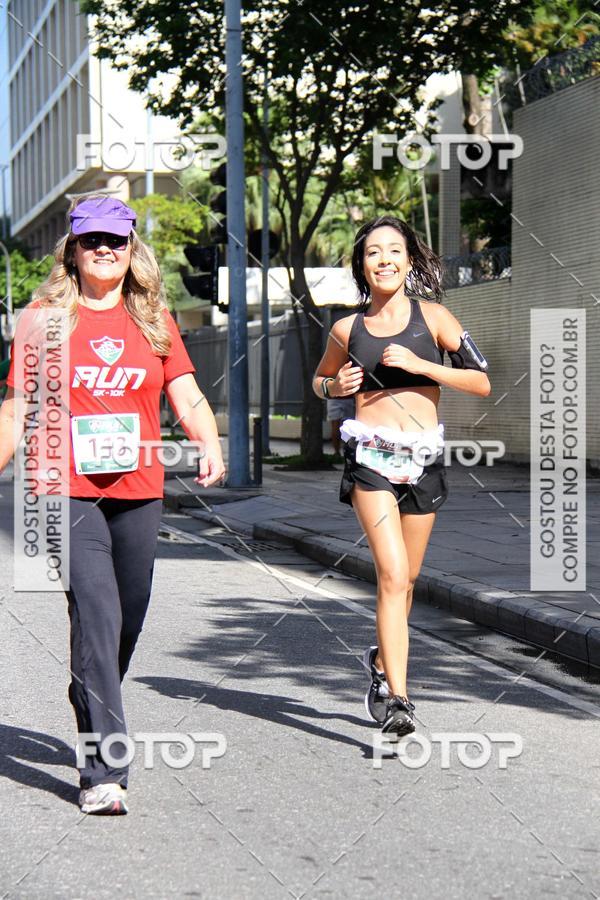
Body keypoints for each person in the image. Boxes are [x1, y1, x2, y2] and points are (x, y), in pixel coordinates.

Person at [0, 195, 225, 814]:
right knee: (97, 613)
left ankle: (90, 691)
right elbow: (16, 409)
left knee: (127, 617)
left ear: (131, 249)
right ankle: (104, 771)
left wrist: (208, 440)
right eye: (92, 240)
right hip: (65, 489)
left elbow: (185, 390)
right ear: (72, 250)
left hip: (138, 490)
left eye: (115, 240)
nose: (104, 248)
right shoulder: (44, 320)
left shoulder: (152, 318)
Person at [313, 215, 490, 738]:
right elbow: (320, 380)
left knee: (407, 580)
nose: (384, 259)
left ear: (409, 260)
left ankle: (380, 661)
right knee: (391, 575)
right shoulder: (347, 329)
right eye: (373, 252)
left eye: (394, 250)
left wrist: (423, 365)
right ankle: (399, 700)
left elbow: (481, 381)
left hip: (423, 459)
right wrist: (334, 387)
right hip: (371, 459)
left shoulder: (433, 317)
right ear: (362, 266)